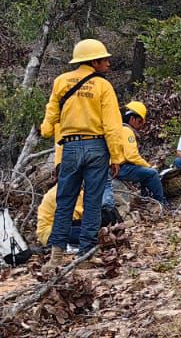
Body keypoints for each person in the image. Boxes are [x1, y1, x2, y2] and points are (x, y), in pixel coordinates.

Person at [40, 39, 127, 260]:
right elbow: (112, 125)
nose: (108, 63)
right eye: (104, 59)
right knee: (92, 201)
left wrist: (46, 129)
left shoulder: (61, 81)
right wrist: (117, 156)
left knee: (65, 200)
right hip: (96, 146)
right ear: (94, 61)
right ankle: (86, 253)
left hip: (70, 147)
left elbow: (51, 114)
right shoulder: (102, 86)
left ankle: (56, 255)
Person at [114, 100, 170, 208]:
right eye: (140, 122)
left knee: (144, 173)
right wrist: (148, 165)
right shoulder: (127, 131)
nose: (141, 125)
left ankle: (145, 197)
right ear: (132, 119)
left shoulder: (119, 129)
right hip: (121, 168)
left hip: (117, 166)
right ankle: (161, 203)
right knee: (152, 173)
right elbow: (131, 155)